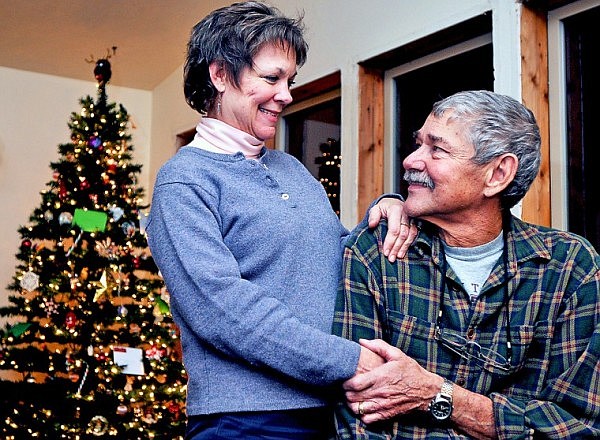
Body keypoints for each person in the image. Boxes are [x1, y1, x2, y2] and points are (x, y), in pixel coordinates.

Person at [146, 2, 416, 439]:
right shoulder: (184, 181)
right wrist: (348, 360)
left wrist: (384, 211)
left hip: (329, 408)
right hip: (244, 419)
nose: (287, 94)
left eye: (290, 80)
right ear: (219, 75)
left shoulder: (290, 169)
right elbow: (221, 310)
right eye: (271, 78)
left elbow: (334, 256)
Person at [333, 90, 600, 439]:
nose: (411, 160)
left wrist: (436, 395)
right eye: (418, 144)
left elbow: (575, 427)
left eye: (436, 149)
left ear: (498, 174)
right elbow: (358, 412)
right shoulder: (377, 252)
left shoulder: (568, 269)